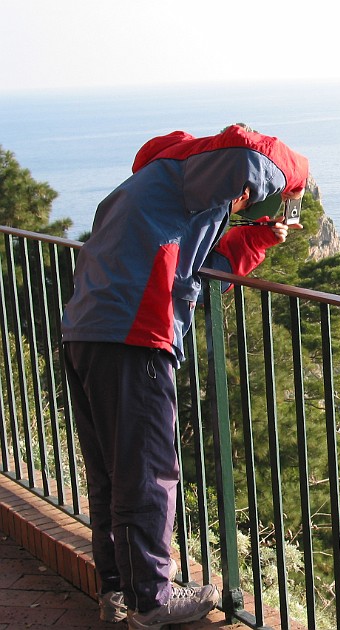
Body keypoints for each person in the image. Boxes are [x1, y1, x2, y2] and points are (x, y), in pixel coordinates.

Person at [61, 124, 308, 628]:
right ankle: (152, 600)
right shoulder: (184, 175)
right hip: (134, 334)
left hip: (86, 331)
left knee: (111, 473)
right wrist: (297, 180)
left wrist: (259, 234)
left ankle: (118, 590)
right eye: (247, 194)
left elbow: (195, 266)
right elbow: (246, 151)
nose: (244, 198)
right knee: (149, 473)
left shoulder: (148, 195)